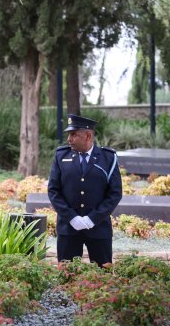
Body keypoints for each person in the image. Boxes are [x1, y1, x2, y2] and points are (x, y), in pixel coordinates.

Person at [47, 114, 122, 266]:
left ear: (87, 136)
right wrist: (72, 218)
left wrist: (91, 219)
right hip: (68, 228)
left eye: (73, 135)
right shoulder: (61, 156)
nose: (69, 139)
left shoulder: (108, 158)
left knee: (103, 276)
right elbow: (54, 191)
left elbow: (114, 194)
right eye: (69, 135)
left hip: (98, 228)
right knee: (66, 277)